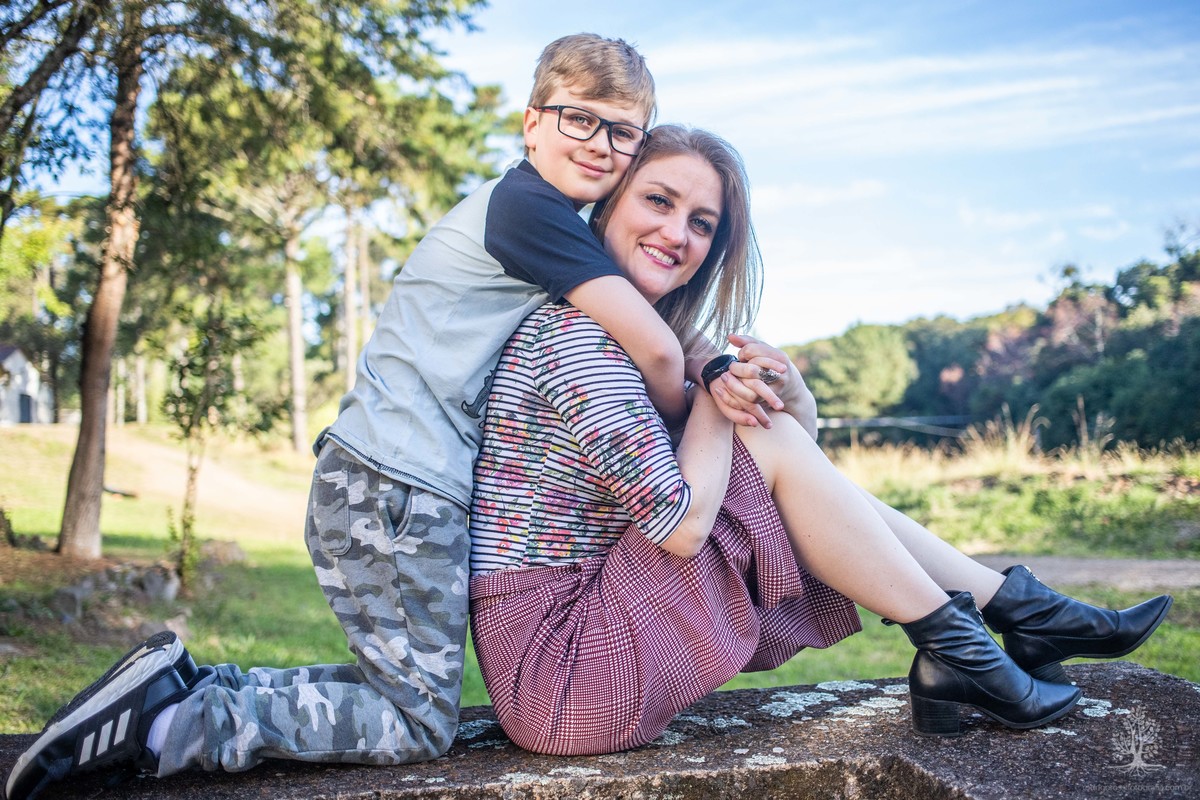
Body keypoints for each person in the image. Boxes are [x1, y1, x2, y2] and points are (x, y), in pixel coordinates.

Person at [3, 34, 763, 800]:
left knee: (402, 691)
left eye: (622, 132)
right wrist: (698, 408)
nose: (600, 145)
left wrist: (710, 359)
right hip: (398, 487)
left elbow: (660, 334)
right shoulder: (528, 209)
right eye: (579, 119)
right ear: (532, 123)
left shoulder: (547, 225)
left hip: (384, 478)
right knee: (415, 721)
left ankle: (186, 690)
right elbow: (656, 352)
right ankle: (168, 727)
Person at [467, 124, 1174, 754]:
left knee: (760, 430)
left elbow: (795, 484)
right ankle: (977, 635)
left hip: (578, 649)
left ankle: (1010, 617)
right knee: (753, 429)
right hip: (560, 671)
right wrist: (720, 390)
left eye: (702, 223)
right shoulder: (577, 340)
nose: (678, 233)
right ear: (606, 208)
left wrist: (785, 397)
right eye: (658, 201)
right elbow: (685, 529)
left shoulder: (643, 343)